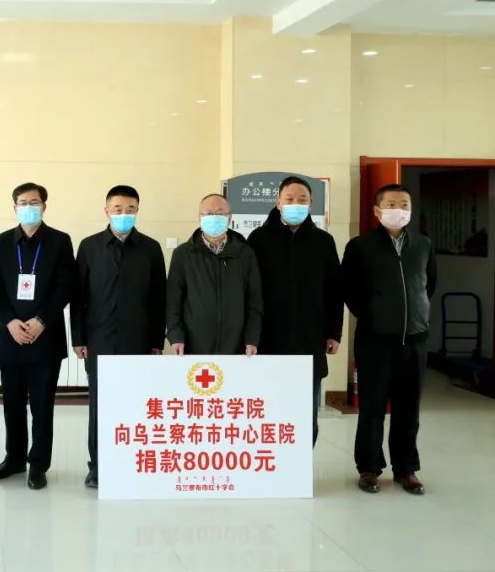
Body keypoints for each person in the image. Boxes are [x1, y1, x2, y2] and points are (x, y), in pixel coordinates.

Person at [342, 183, 436, 495]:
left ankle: (406, 469)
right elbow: (350, 290)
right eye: (392, 204)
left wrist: (418, 316)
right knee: (372, 407)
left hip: (415, 339)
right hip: (375, 340)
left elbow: (429, 284)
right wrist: (374, 315)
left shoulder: (423, 245)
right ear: (377, 211)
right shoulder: (361, 246)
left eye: (404, 204)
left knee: (409, 408)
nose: (399, 210)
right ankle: (369, 468)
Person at [71, 185, 166, 488]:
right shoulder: (90, 246)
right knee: (100, 405)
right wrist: (78, 338)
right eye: (118, 209)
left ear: (138, 211)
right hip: (99, 339)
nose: (124, 214)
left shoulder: (150, 248)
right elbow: (78, 297)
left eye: (130, 209)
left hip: (138, 340)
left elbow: (159, 299)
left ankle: (132, 462)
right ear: (107, 211)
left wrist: (156, 342)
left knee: (135, 404)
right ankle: (97, 467)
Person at [0, 182, 75, 490]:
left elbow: (65, 286)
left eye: (34, 202)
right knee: (12, 403)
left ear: (44, 206)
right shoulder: (3, 241)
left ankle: (38, 464)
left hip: (45, 337)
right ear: (14, 208)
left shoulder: (60, 241)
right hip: (10, 336)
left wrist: (41, 320)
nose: (29, 207)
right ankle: (13, 458)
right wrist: (10, 321)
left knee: (41, 405)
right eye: (23, 203)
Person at [247, 176, 343, 445]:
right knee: (267, 408)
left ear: (311, 203)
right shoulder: (258, 239)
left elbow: (334, 290)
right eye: (289, 199)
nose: (295, 204)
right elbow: (249, 291)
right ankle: (270, 462)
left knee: (305, 412)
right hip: (268, 338)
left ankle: (301, 463)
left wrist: (334, 332)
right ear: (278, 202)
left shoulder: (323, 241)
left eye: (302, 200)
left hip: (309, 338)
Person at [166, 193, 262, 356]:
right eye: (208, 213)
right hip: (193, 345)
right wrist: (175, 336)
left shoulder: (245, 254)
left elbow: (254, 301)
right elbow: (173, 300)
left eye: (220, 213)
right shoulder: (183, 254)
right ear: (199, 217)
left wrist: (252, 338)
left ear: (229, 218)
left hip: (236, 346)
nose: (214, 218)